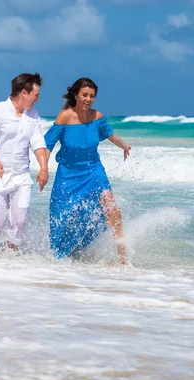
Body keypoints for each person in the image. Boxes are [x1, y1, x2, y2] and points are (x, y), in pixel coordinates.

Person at [44, 77, 131, 265]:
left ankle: (122, 256)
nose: (88, 99)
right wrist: (43, 168)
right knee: (64, 218)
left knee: (111, 205)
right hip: (68, 174)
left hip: (94, 170)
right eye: (85, 95)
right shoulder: (65, 117)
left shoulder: (97, 117)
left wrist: (124, 145)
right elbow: (47, 144)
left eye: (92, 96)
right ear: (76, 95)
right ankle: (63, 256)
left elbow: (109, 134)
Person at [0, 72, 49, 254]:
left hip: (21, 176)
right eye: (36, 94)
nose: (38, 99)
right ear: (23, 93)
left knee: (19, 223)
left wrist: (43, 167)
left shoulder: (32, 115)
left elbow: (38, 143)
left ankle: (9, 262)